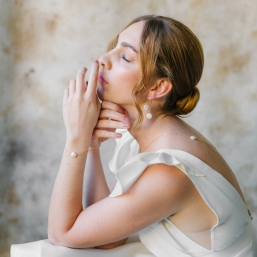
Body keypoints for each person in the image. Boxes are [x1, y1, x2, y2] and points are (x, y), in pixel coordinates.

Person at [11, 15, 255, 257]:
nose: (103, 60)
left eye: (125, 57)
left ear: (157, 88)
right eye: (114, 46)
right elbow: (108, 240)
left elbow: (63, 234)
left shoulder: (169, 171)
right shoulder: (151, 135)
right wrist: (91, 146)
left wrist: (75, 139)